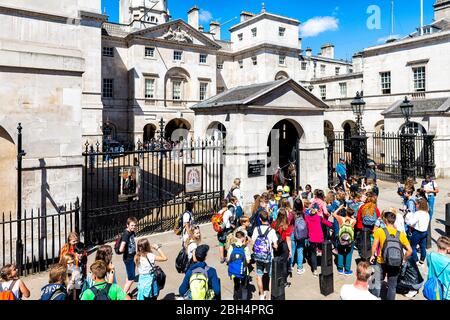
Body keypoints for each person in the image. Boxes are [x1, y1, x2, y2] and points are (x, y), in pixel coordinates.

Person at [370, 211, 413, 300]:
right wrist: (403, 259)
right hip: (396, 262)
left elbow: (374, 245)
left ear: (385, 220)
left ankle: (374, 297)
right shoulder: (400, 234)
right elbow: (410, 250)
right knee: (392, 286)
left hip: (381, 261)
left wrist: (372, 255)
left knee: (377, 282)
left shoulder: (380, 231)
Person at [252, 210, 279, 300]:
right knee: (271, 276)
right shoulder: (271, 230)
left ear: (260, 219)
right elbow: (275, 245)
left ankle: (262, 295)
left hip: (259, 256)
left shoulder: (256, 229)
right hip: (268, 256)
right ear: (268, 218)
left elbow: (253, 242)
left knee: (259, 275)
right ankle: (271, 295)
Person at [305, 204, 332, 277]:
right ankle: (324, 266)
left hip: (311, 238)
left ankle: (314, 270)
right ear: (317, 210)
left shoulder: (307, 218)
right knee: (323, 252)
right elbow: (329, 224)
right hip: (320, 238)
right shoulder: (319, 218)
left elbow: (307, 228)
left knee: (313, 254)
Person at [227, 231, 251, 300]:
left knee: (236, 285)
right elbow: (248, 261)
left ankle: (235, 298)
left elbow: (228, 259)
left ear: (235, 237)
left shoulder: (232, 246)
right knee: (244, 287)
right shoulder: (245, 247)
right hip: (243, 271)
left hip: (234, 270)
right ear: (243, 238)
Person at [405, 197, 430, 265]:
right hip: (424, 232)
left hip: (417, 232)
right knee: (423, 247)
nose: (415, 205)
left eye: (416, 204)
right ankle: (422, 261)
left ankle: (415, 260)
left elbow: (410, 223)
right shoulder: (427, 213)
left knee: (412, 247)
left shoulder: (418, 213)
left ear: (419, 205)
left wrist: (408, 217)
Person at [332, 206, 356, 275]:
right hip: (349, 240)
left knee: (340, 252)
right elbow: (353, 218)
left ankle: (340, 268)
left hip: (341, 239)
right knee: (349, 253)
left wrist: (340, 207)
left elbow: (333, 214)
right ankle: (347, 270)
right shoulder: (354, 221)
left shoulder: (341, 219)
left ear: (346, 212)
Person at [426, 236, 450, 300]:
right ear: (447, 248)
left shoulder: (430, 255)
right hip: (445, 293)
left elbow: (429, 266)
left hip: (432, 288)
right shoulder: (448, 262)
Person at [119, 217, 138, 295]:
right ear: (127, 225)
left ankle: (127, 292)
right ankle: (123, 295)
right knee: (132, 278)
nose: (133, 227)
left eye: (134, 225)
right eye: (132, 225)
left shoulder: (131, 232)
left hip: (132, 257)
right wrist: (125, 251)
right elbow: (121, 249)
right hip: (128, 258)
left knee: (129, 275)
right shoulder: (126, 234)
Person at [218, 198, 237, 264]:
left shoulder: (219, 212)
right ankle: (228, 258)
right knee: (228, 243)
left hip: (220, 229)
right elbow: (232, 219)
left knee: (221, 243)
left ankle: (222, 258)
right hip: (227, 229)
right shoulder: (228, 212)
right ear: (226, 204)